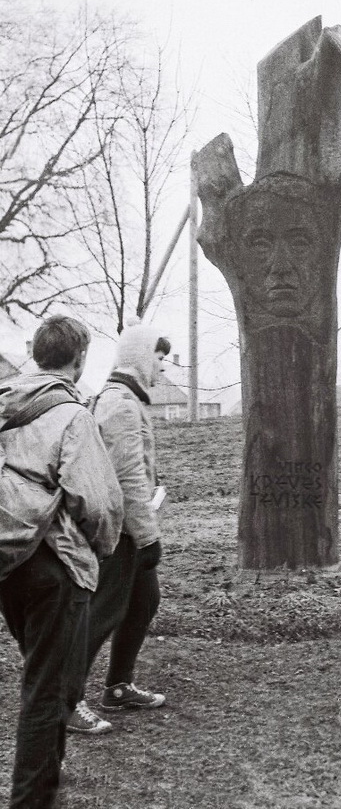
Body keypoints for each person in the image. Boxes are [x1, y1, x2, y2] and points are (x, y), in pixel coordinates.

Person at [0, 315, 123, 808]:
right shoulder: (73, 415)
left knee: (45, 673)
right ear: (79, 359)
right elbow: (97, 501)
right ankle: (31, 799)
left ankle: (49, 772)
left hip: (8, 561)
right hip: (56, 566)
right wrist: (105, 548)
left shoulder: (5, 406)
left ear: (35, 353)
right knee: (47, 689)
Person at [67, 324, 170, 735]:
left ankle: (118, 687)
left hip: (127, 527)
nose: (162, 367)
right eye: (159, 358)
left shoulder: (125, 399)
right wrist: (148, 536)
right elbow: (126, 478)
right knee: (103, 612)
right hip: (120, 530)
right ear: (141, 357)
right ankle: (65, 700)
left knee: (144, 600)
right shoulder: (122, 404)